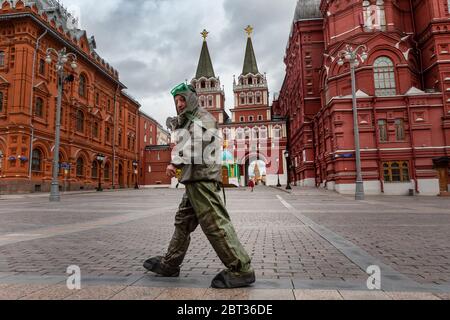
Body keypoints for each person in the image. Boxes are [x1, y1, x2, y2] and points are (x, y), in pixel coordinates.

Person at [143, 83, 255, 289]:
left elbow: (196, 145)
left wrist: (175, 162)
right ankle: (170, 264)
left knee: (214, 224)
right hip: (193, 180)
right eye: (176, 101)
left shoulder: (204, 119)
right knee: (183, 222)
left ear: (192, 99)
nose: (178, 104)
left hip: (202, 181)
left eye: (182, 99)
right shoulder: (192, 120)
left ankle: (241, 269)